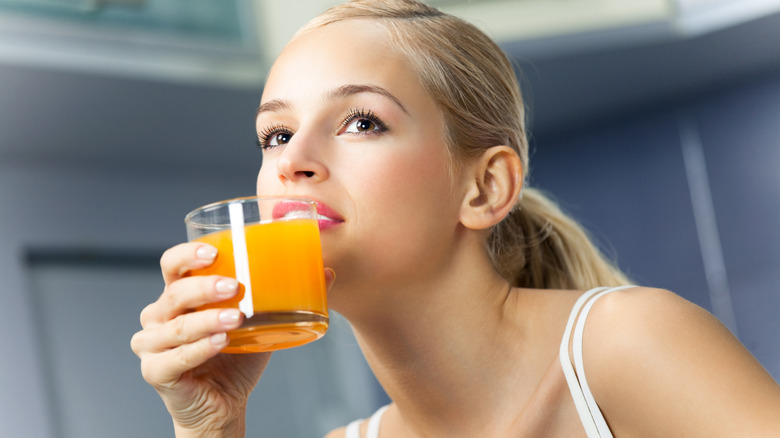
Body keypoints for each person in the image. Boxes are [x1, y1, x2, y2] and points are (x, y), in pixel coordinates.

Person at [130, 0, 780, 436]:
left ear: (484, 187)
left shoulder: (624, 345)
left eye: (362, 121)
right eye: (274, 135)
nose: (292, 161)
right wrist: (209, 429)